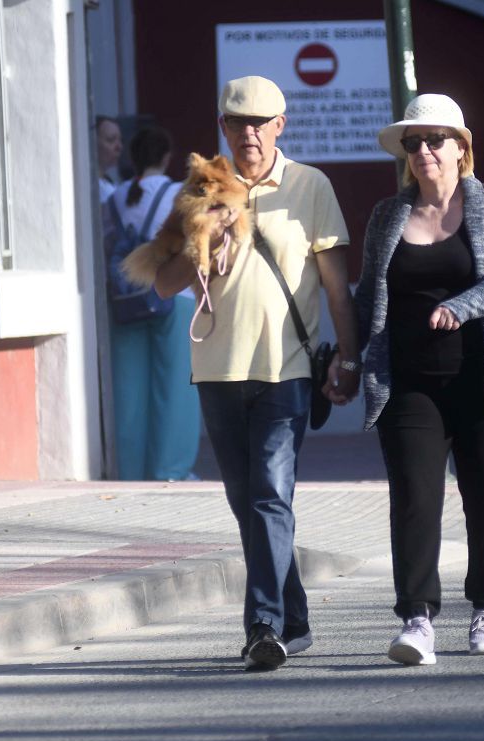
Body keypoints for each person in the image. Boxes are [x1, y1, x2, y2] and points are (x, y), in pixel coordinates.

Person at [153, 76, 360, 670]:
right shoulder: (201, 188)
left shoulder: (310, 186)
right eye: (237, 122)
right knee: (249, 504)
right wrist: (204, 243)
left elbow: (337, 288)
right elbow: (162, 283)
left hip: (286, 369)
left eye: (261, 122)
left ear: (280, 126)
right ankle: (293, 618)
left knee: (272, 496)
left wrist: (348, 359)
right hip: (215, 370)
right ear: (222, 127)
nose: (249, 132)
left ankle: (263, 626)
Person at [356, 94, 484, 666]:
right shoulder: (388, 216)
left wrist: (460, 308)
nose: (423, 152)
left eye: (434, 140)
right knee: (415, 497)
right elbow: (369, 294)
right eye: (412, 143)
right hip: (409, 382)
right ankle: (417, 620)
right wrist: (345, 358)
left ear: (460, 147)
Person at [103, 126, 201, 481]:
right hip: (174, 296)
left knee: (129, 388)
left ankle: (130, 469)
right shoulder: (179, 192)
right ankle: (171, 469)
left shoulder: (114, 197)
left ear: (133, 158)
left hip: (126, 297)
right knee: (175, 387)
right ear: (166, 157)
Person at [96, 115, 123, 203]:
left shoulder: (108, 181)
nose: (119, 147)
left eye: (120, 140)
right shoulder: (90, 186)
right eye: (111, 140)